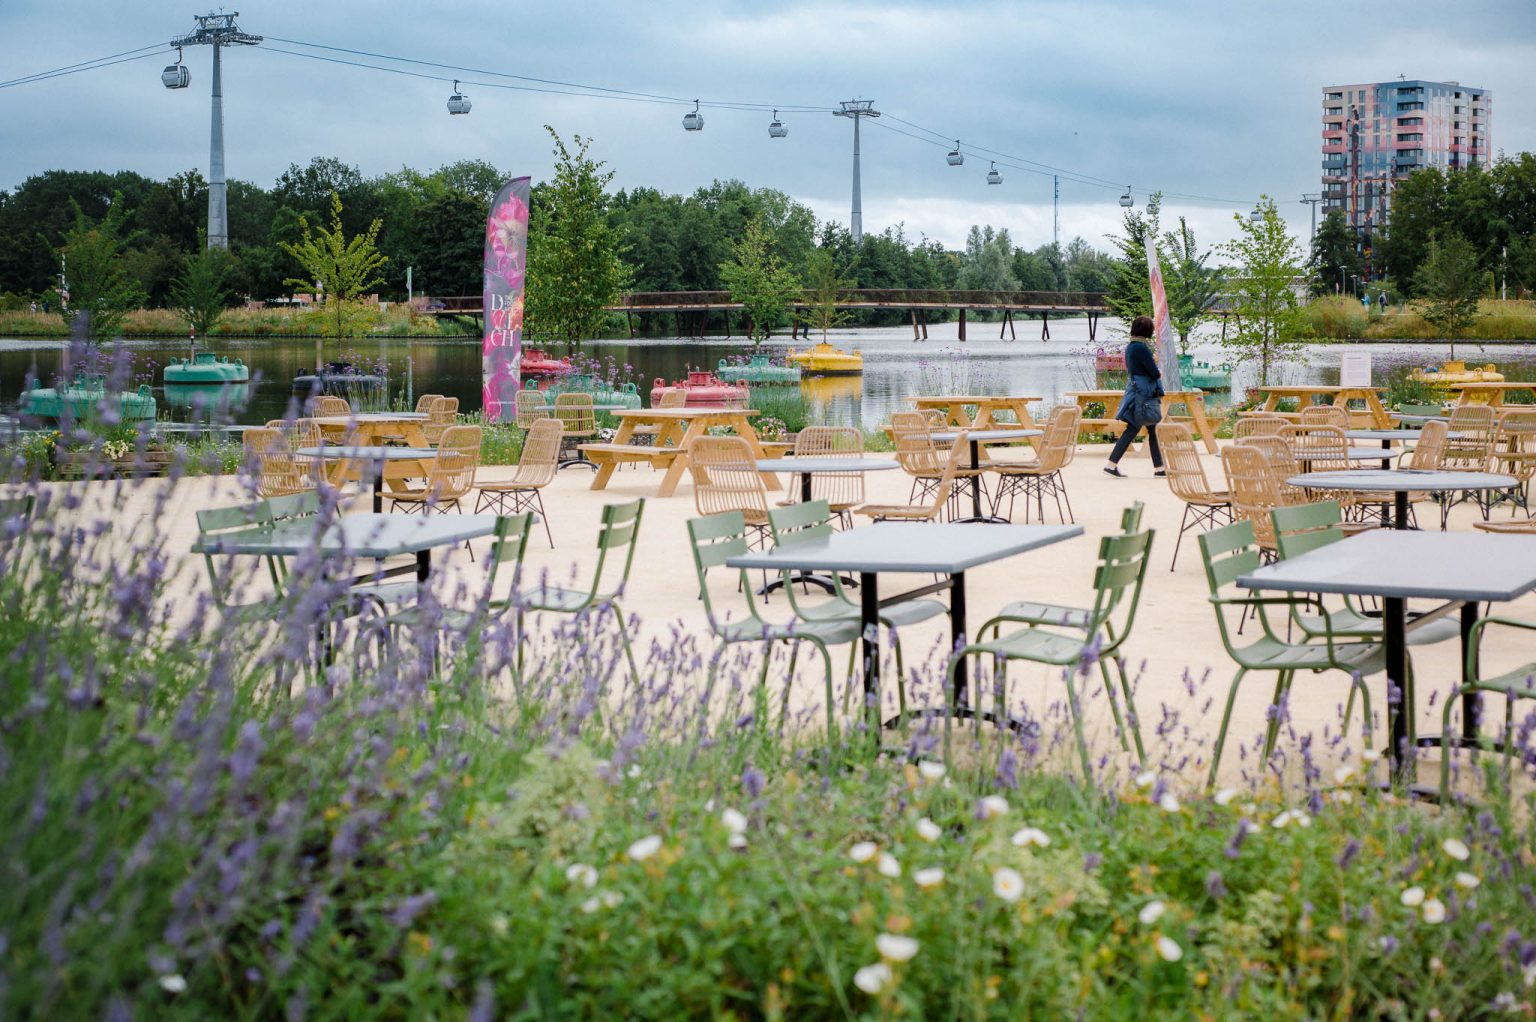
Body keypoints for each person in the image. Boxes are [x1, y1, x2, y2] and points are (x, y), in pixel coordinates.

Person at [1104, 315, 1164, 478]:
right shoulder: (1141, 348)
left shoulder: (1131, 346)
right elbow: (1153, 372)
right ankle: (1111, 464)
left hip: (1136, 390)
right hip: (1144, 394)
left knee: (1146, 428)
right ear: (1148, 331)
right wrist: (1158, 370)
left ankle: (1159, 468)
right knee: (1143, 427)